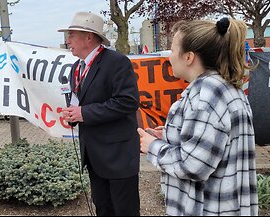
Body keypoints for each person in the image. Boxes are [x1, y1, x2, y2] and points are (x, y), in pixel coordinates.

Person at [138, 18, 258, 216]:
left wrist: (153, 146)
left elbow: (193, 166)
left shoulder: (206, 95)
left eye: (173, 49)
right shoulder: (223, 87)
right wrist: (171, 135)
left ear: (188, 57)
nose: (170, 56)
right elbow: (214, 144)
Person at [59, 12, 141, 216]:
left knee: (124, 211)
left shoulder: (116, 62)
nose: (67, 40)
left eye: (71, 35)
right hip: (94, 155)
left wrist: (83, 113)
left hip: (118, 156)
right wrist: (72, 115)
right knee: (103, 209)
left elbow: (127, 102)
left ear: (89, 36)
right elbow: (80, 102)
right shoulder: (76, 68)